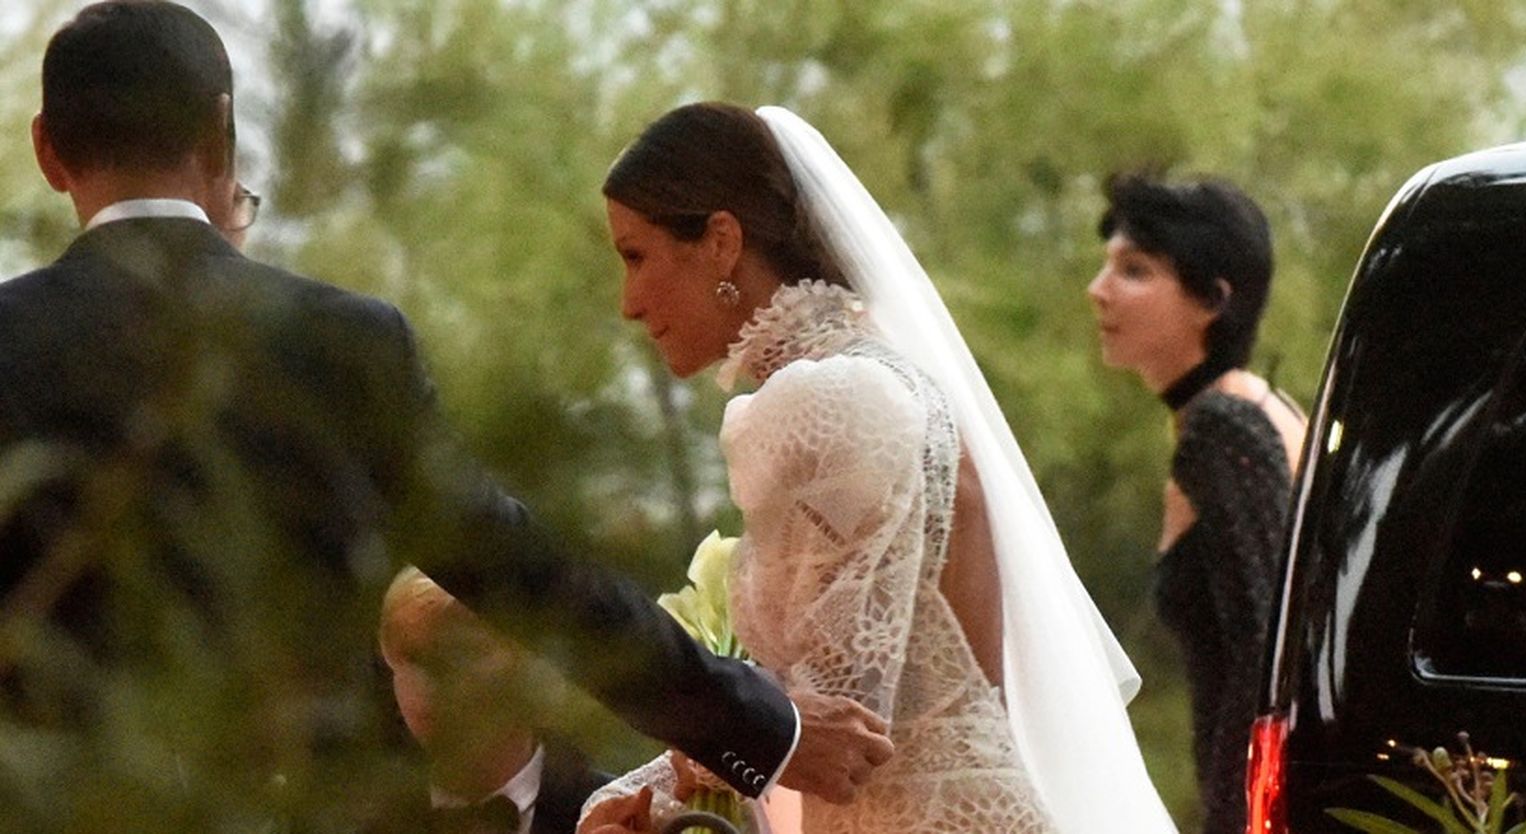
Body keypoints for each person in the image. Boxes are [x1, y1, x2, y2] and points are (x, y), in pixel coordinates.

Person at [0, 2, 890, 825]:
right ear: (220, 133)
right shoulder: (341, 341)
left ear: (46, 149)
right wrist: (760, 728)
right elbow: (519, 571)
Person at [578, 102, 1177, 834]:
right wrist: (648, 793)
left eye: (636, 256)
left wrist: (654, 784)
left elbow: (843, 725)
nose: (629, 304)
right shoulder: (886, 383)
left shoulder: (827, 402)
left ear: (721, 242)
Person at [1088, 172, 1305, 834]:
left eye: (1134, 270)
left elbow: (1263, 652)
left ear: (1212, 299)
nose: (1099, 289)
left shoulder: (1224, 429)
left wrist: (1237, 818)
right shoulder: (1253, 407)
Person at [378, 566, 609, 834]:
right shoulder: (372, 824)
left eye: (457, 654)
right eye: (408, 659)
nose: (424, 684)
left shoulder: (624, 814)